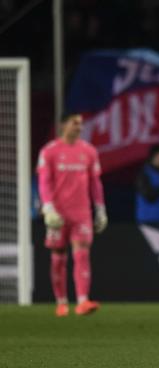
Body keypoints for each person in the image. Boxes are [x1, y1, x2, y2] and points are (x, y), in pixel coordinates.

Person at [37, 112, 107, 317]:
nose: (79, 127)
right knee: (58, 257)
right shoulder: (49, 151)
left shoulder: (89, 151)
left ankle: (83, 301)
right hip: (57, 214)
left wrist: (100, 208)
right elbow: (44, 182)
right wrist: (48, 206)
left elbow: (95, 182)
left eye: (81, 124)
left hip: (81, 213)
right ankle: (61, 302)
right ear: (63, 125)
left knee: (82, 253)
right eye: (75, 123)